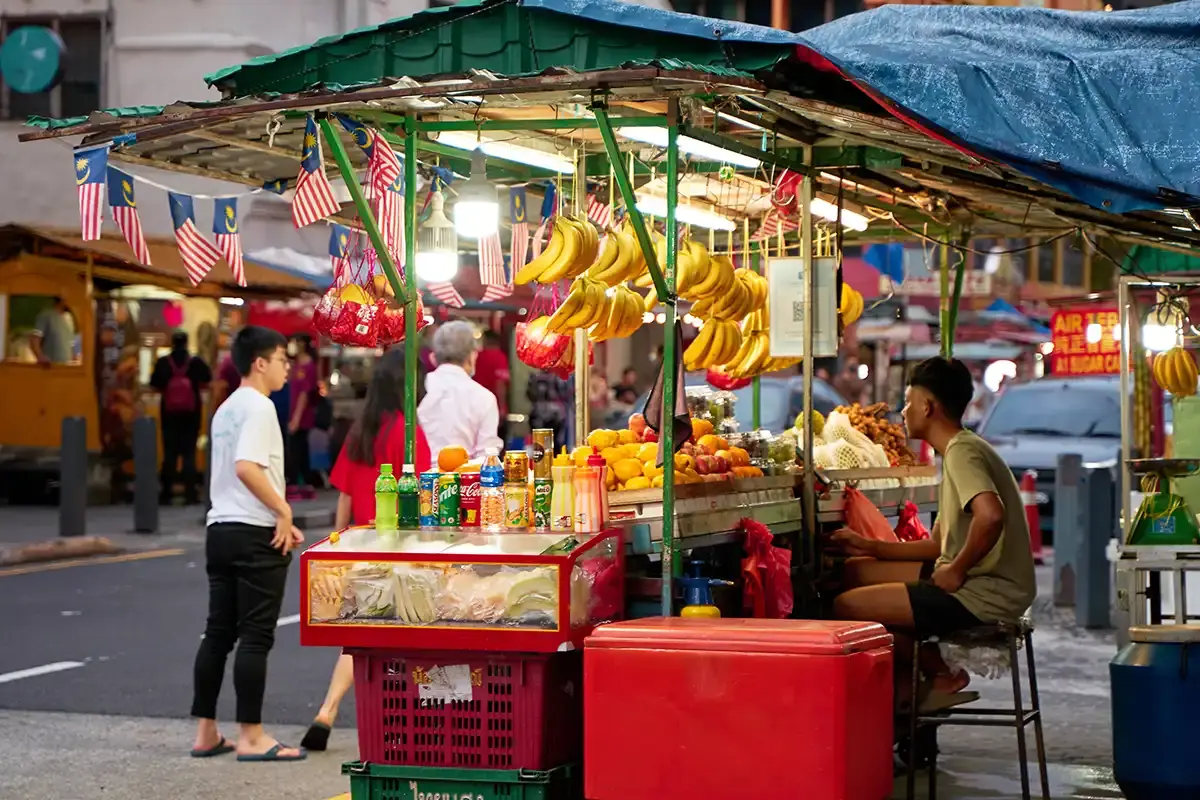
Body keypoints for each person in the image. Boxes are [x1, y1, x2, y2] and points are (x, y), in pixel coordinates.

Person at [830, 357, 1035, 713]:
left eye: (908, 402)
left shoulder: (962, 453)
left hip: (984, 592)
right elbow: (940, 546)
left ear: (928, 406)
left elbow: (991, 515)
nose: (904, 411)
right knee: (854, 571)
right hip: (979, 581)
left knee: (843, 607)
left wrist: (956, 570)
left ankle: (940, 675)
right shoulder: (961, 448)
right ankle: (910, 692)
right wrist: (870, 546)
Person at [300, 347, 432, 752]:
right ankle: (402, 723)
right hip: (398, 548)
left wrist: (336, 546)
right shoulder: (408, 434)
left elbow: (342, 494)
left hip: (359, 544)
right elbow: (424, 494)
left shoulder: (361, 430)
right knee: (409, 636)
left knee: (358, 639)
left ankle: (328, 709)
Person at [190, 325, 306, 763]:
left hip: (220, 528)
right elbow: (247, 468)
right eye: (282, 359)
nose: (287, 368)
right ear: (260, 363)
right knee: (256, 636)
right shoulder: (259, 407)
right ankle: (252, 736)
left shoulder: (224, 410)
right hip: (255, 532)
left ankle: (206, 733)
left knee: (217, 632)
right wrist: (283, 511)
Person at [418, 320, 503, 459]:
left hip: (418, 478)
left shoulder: (416, 389)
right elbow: (487, 457)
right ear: (471, 356)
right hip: (464, 479)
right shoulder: (484, 397)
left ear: (433, 357)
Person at [150, 331, 212, 505]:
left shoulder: (163, 363)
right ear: (186, 343)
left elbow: (154, 383)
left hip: (169, 416)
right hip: (191, 417)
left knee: (170, 453)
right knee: (189, 453)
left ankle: (166, 493)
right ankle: (190, 493)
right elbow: (208, 378)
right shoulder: (195, 362)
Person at [286, 335, 321, 495]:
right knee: (297, 448)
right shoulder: (295, 365)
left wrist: (296, 419)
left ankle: (301, 482)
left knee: (298, 449)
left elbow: (304, 395)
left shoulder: (308, 366)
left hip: (302, 417)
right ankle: (302, 482)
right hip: (292, 413)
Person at [473, 329, 510, 441]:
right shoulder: (499, 357)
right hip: (493, 407)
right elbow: (500, 384)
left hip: (476, 406)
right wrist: (502, 407)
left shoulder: (477, 357)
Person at [29, 296, 74, 365]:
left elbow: (70, 345)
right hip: (50, 369)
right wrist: (41, 357)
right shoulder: (46, 315)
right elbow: (35, 340)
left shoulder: (69, 319)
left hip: (66, 369)